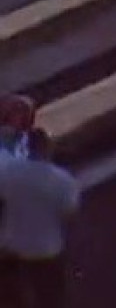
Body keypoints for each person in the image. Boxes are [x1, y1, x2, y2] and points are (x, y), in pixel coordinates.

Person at [0, 129, 80, 308]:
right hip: (47, 251)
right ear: (48, 149)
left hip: (13, 248)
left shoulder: (9, 173)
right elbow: (69, 212)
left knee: (15, 298)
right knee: (51, 299)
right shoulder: (61, 181)